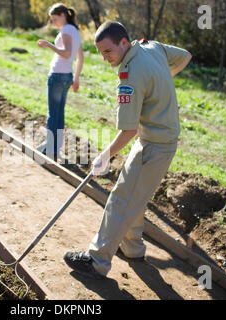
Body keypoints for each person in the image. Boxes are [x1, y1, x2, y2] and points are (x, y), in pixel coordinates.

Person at [63, 21, 192, 279]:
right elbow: (185, 56)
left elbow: (128, 131)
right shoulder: (151, 47)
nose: (104, 58)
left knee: (122, 198)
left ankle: (97, 260)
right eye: (100, 53)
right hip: (160, 140)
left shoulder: (129, 76)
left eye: (108, 51)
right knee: (135, 193)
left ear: (124, 42)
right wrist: (162, 80)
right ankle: (132, 247)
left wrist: (104, 156)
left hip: (152, 145)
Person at [36, 3, 83, 161]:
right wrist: (76, 78)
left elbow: (67, 53)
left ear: (63, 15)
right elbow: (80, 57)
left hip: (57, 76)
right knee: (59, 113)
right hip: (67, 76)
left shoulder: (66, 30)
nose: (54, 23)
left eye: (55, 19)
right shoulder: (76, 31)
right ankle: (54, 147)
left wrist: (49, 45)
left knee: (52, 114)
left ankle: (49, 147)